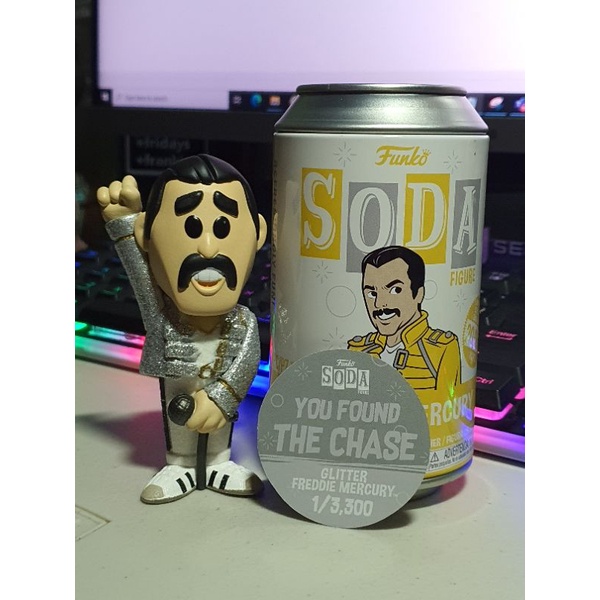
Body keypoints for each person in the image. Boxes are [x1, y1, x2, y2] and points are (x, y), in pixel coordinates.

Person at [97, 155, 268, 504]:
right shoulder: (164, 318)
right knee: (180, 425)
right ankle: (181, 464)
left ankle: (219, 461)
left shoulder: (243, 322)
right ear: (146, 234)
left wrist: (221, 398)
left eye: (222, 228)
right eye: (191, 228)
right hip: (178, 386)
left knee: (219, 426)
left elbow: (246, 362)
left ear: (258, 233)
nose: (208, 248)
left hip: (220, 400)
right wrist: (124, 223)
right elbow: (141, 278)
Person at [347, 245, 461, 396]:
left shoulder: (441, 349)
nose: (379, 304)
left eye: (395, 290)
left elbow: (447, 405)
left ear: (419, 294)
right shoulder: (358, 348)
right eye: (372, 293)